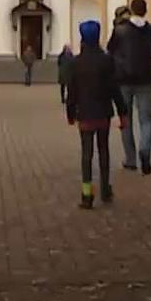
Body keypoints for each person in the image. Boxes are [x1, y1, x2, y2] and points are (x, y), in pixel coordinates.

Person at [65, 20, 120, 208]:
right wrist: (123, 112)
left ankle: (86, 194)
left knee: (86, 154)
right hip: (103, 114)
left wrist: (70, 113)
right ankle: (105, 189)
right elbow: (115, 89)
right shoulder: (107, 60)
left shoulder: (76, 63)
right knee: (103, 151)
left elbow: (72, 92)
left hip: (85, 115)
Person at [110, 0, 151, 174]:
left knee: (126, 119)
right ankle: (145, 150)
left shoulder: (120, 30)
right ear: (145, 11)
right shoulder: (150, 30)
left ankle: (130, 159)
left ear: (131, 10)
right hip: (145, 80)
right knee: (146, 119)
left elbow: (111, 50)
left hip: (124, 80)